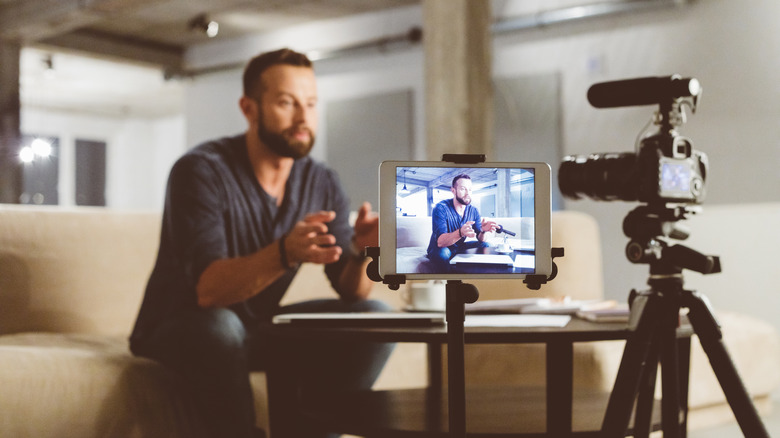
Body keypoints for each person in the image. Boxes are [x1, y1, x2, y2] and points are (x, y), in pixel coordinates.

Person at [129, 48, 393, 438]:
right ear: (249, 108)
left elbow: (351, 291)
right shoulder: (200, 171)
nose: (303, 118)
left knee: (374, 315)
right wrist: (285, 251)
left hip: (256, 327)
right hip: (179, 328)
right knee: (219, 325)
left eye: (311, 104)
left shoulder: (321, 181)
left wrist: (361, 250)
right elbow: (208, 292)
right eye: (287, 103)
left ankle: (315, 431)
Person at [426, 174, 498, 268]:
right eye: (463, 189)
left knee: (486, 245)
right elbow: (440, 242)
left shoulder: (473, 211)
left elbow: (481, 239)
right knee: (442, 254)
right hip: (440, 248)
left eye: (470, 189)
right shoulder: (440, 208)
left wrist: (483, 231)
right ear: (453, 190)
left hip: (459, 247)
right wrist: (460, 232)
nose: (468, 193)